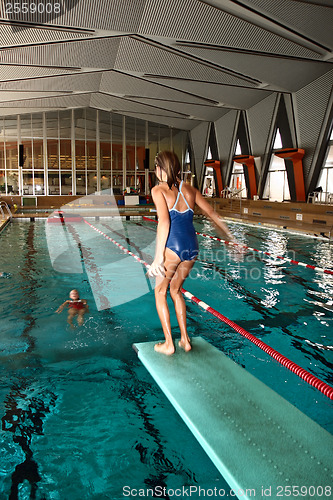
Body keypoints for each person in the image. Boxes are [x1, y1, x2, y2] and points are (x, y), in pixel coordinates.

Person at [148, 151, 241, 355]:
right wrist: (232, 238)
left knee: (160, 292)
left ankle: (169, 344)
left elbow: (164, 222)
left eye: (156, 167)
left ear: (160, 168)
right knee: (176, 290)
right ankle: (185, 340)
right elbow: (213, 214)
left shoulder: (159, 190)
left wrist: (158, 258)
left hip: (172, 246)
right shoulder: (190, 190)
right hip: (192, 247)